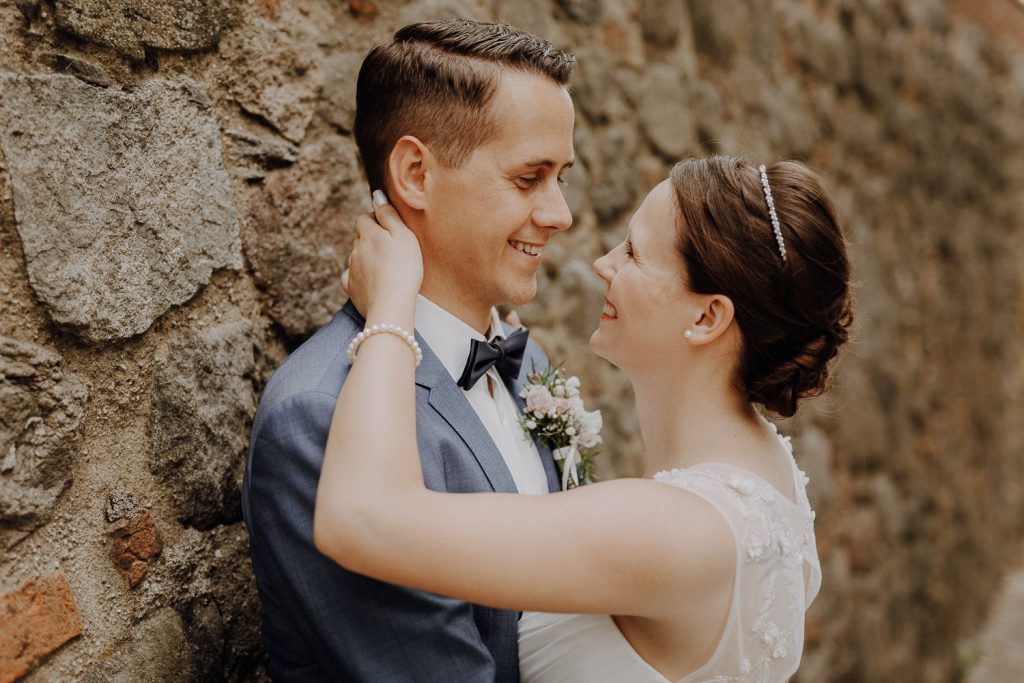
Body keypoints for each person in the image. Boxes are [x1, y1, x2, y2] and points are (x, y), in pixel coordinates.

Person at [314, 155, 853, 682]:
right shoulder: (770, 476)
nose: (603, 264)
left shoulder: (671, 529)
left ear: (708, 316)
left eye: (634, 254)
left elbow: (361, 521)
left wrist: (390, 306)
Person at [242, 19, 576, 682]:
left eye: (561, 176)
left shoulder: (528, 363)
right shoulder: (318, 415)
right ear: (416, 174)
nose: (560, 213)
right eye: (529, 178)